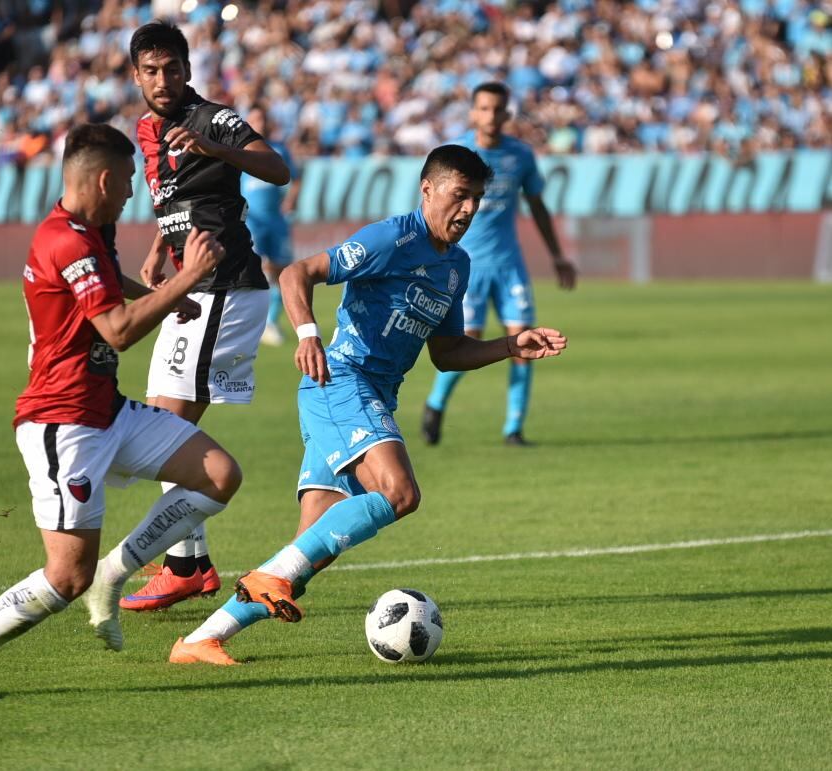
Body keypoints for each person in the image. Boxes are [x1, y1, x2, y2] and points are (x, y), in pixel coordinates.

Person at [168, 145, 568, 665]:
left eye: (476, 199)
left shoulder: (457, 266)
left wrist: (509, 345)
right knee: (400, 493)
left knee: (306, 555)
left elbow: (447, 354)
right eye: (459, 195)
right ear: (428, 189)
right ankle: (264, 581)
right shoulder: (392, 238)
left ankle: (200, 639)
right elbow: (295, 273)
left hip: (371, 396)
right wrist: (307, 334)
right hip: (341, 381)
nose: (469, 209)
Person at [0, 123, 241, 702]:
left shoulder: (92, 228)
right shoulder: (63, 239)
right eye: (128, 185)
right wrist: (186, 279)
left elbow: (110, 287)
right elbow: (115, 332)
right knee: (67, 574)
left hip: (108, 410)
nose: (133, 195)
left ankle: (116, 573)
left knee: (218, 474)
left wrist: (157, 295)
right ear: (105, 179)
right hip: (63, 424)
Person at [110, 21, 291, 614]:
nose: (163, 81)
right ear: (136, 76)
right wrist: (163, 245)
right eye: (150, 71)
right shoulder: (144, 128)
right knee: (164, 428)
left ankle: (183, 566)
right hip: (194, 283)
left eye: (172, 69)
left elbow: (276, 167)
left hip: (227, 286)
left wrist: (218, 149)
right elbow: (176, 198)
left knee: (166, 430)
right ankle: (189, 565)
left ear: (188, 70)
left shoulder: (213, 119)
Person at [422, 82, 576, 447]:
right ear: (473, 112)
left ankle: (513, 429)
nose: (491, 116)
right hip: (467, 267)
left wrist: (557, 256)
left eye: (498, 110)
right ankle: (436, 403)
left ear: (507, 114)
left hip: (509, 265)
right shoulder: (456, 154)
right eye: (484, 109)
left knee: (527, 341)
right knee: (467, 341)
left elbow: (537, 206)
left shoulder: (520, 156)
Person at [242, 105, 300, 346]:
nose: (261, 124)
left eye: (263, 119)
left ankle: (271, 322)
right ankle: (254, 322)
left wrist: (290, 201)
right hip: (252, 220)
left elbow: (296, 179)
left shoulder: (279, 149)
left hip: (276, 220)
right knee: (260, 266)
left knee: (282, 270)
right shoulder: (239, 150)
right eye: (255, 119)